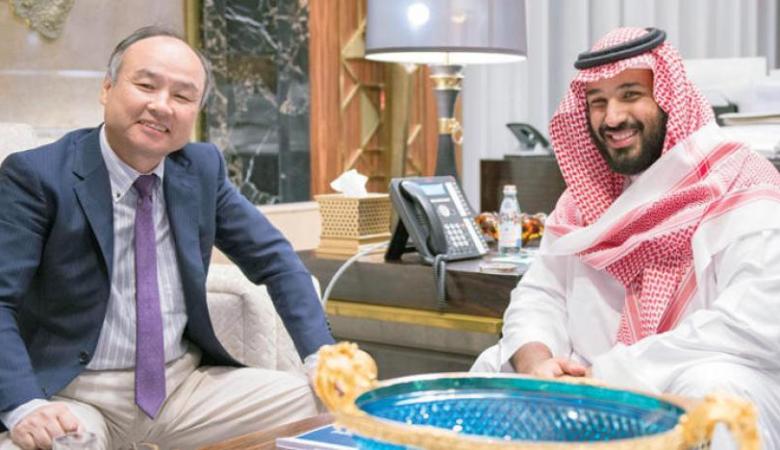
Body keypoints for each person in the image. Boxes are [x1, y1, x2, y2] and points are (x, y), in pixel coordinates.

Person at [0, 26, 334, 450]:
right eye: (146, 86)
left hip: (183, 388)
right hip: (76, 392)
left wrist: (322, 356)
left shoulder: (201, 168)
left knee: (332, 405)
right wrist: (24, 405)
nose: (161, 106)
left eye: (182, 96)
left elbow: (276, 260)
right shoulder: (37, 176)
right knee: (50, 445)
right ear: (107, 89)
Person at [472, 27, 780, 446]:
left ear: (669, 98)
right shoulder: (584, 198)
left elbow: (753, 325)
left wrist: (609, 376)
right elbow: (541, 293)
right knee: (495, 369)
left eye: (631, 95)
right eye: (597, 102)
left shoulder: (741, 182)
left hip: (686, 373)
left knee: (713, 389)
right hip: (586, 379)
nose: (612, 117)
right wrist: (537, 363)